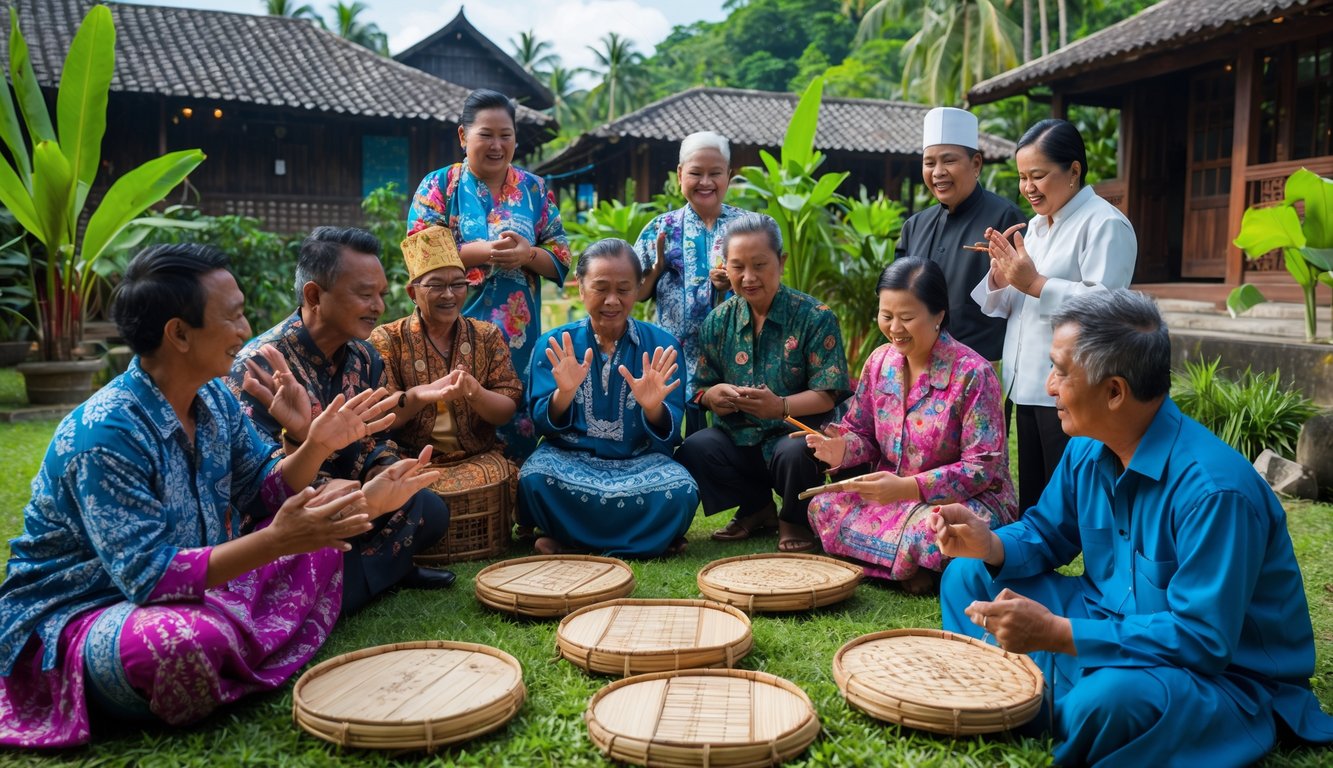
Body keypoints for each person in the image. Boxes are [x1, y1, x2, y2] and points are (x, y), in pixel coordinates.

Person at [0, 244, 438, 746]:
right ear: (179, 333)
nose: (246, 331)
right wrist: (278, 541)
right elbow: (149, 578)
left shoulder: (211, 400)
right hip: (81, 612)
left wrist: (316, 446)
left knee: (323, 522)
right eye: (232, 317)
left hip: (190, 588)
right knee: (180, 647)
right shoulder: (104, 436)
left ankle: (239, 624)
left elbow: (263, 489)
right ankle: (243, 628)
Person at [932, 290, 1333, 765]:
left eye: (1061, 370)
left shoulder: (1215, 493)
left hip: (1218, 675)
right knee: (968, 576)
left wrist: (1060, 634)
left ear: (1115, 391)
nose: (1050, 385)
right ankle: (1042, 698)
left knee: (1108, 701)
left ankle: (1044, 697)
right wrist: (991, 542)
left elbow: (1203, 639)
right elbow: (1046, 532)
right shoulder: (1088, 447)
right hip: (1103, 619)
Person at [228, 227, 454, 614]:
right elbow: (261, 482)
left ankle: (355, 578)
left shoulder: (365, 358)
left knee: (429, 508)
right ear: (315, 295)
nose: (379, 306)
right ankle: (376, 574)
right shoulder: (260, 367)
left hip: (355, 502)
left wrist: (388, 474)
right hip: (291, 515)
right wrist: (358, 499)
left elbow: (374, 439)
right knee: (321, 534)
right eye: (365, 294)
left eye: (381, 294)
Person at [804, 258, 1016, 594]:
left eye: (907, 317)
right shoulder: (879, 362)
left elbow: (980, 469)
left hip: (964, 500)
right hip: (893, 497)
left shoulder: (974, 374)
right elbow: (862, 431)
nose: (894, 328)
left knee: (934, 532)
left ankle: (903, 567)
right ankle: (911, 571)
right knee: (824, 508)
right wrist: (842, 448)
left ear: (939, 315)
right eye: (886, 316)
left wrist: (908, 488)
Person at [972, 118, 1136, 513]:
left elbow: (1106, 309)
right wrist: (1002, 276)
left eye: (1038, 175)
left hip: (1072, 387)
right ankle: (1035, 568)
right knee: (1034, 497)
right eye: (1022, 177)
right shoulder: (1035, 228)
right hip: (1024, 384)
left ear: (1074, 171)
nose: (1028, 188)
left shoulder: (1105, 224)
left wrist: (1034, 283)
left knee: (1075, 501)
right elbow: (1016, 306)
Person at [407, 87, 571, 462]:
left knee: (514, 408)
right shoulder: (439, 186)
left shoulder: (533, 189)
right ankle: (460, 500)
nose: (497, 145)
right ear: (464, 136)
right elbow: (420, 254)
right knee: (454, 408)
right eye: (486, 134)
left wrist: (528, 254)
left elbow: (559, 256)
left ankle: (514, 501)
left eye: (505, 135)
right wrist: (486, 252)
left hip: (518, 334)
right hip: (450, 325)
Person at [675, 213, 851, 553]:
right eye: (738, 266)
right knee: (696, 449)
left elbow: (829, 393)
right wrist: (713, 396)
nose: (749, 277)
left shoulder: (815, 316)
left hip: (794, 436)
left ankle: (795, 519)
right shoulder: (719, 321)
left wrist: (781, 407)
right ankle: (757, 509)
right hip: (740, 438)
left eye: (760, 265)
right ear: (725, 267)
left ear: (780, 262)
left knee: (798, 450)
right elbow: (700, 386)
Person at [517, 239, 697, 558]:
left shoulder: (662, 346)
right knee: (535, 477)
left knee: (680, 489)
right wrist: (564, 394)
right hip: (570, 460)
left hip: (639, 462)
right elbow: (542, 422)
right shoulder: (555, 344)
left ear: (639, 289)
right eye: (600, 288)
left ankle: (569, 544)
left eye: (624, 289)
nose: (612, 300)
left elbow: (670, 432)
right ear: (581, 288)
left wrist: (654, 407)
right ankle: (650, 542)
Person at [369, 225, 523, 541]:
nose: (450, 295)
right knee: (390, 480)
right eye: (437, 285)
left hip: (477, 455)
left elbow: (507, 407)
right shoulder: (387, 340)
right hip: (412, 458)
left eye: (458, 284)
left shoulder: (487, 336)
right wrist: (418, 395)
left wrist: (475, 393)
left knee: (507, 473)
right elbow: (382, 417)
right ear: (413, 292)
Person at [632, 130, 744, 434]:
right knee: (673, 435)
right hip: (674, 354)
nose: (705, 182)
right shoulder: (660, 228)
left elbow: (767, 285)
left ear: (729, 176)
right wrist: (656, 269)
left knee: (727, 441)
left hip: (735, 355)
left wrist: (733, 283)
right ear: (681, 175)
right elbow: (637, 293)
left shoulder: (748, 229)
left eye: (715, 173)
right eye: (696, 173)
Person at [895, 107, 1024, 364]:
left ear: (976, 164)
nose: (938, 172)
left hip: (981, 370)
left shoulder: (1006, 219)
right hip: (918, 365)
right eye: (929, 163)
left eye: (949, 161)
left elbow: (1020, 302)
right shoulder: (914, 226)